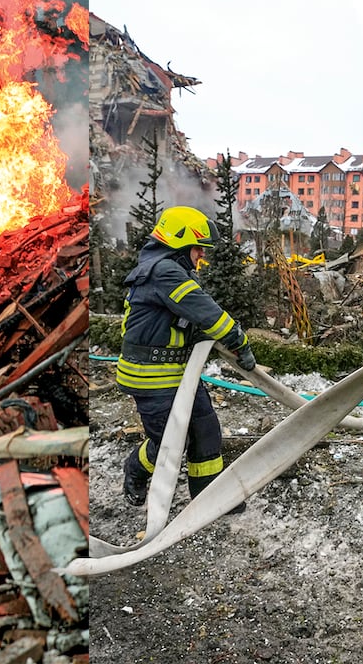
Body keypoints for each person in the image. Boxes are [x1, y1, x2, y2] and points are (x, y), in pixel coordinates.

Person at [116, 205, 256, 511]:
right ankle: (135, 471)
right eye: (198, 249)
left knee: (206, 430)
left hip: (178, 373)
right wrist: (238, 342)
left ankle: (209, 500)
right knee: (168, 444)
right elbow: (208, 313)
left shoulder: (166, 270)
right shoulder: (164, 272)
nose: (201, 256)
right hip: (151, 377)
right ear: (179, 242)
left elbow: (179, 321)